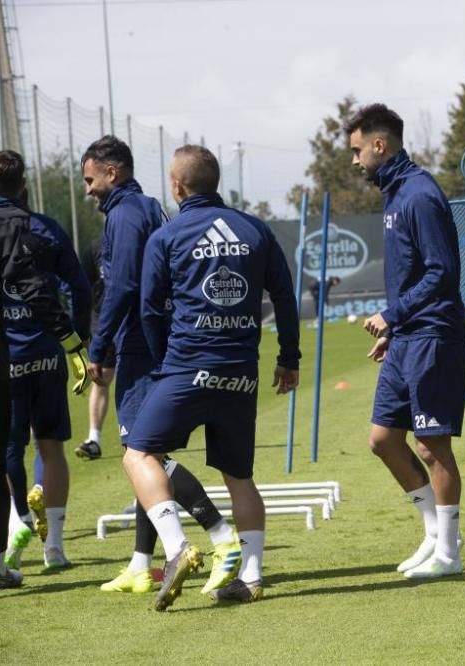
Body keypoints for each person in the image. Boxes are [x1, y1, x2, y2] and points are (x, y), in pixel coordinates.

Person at [123, 144, 300, 609]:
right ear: (215, 182)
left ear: (177, 186)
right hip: (241, 372)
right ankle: (253, 575)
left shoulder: (167, 236)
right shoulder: (255, 229)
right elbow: (284, 295)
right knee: (239, 476)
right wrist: (289, 357)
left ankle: (178, 545)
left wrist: (165, 362)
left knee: (139, 453)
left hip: (185, 368)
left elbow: (148, 309)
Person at [79, 136, 241, 596]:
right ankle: (139, 562)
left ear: (113, 172)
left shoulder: (128, 214)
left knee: (144, 453)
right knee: (142, 454)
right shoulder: (140, 209)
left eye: (91, 180)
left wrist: (100, 344)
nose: (88, 190)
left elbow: (125, 286)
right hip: (149, 344)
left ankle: (218, 536)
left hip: (141, 346)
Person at [347, 103, 465, 580]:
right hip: (407, 336)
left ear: (380, 144)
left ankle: (450, 554)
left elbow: (443, 272)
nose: (355, 162)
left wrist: (393, 315)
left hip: (433, 335)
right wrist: (395, 330)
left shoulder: (418, 194)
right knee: (382, 439)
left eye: (358, 151)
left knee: (432, 447)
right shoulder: (393, 193)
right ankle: (434, 534)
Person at [0, 149, 87, 589]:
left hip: (8, 358)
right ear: (24, 185)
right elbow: (79, 285)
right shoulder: (47, 228)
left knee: (9, 449)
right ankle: (54, 546)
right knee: (51, 446)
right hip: (50, 352)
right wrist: (80, 338)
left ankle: (16, 523)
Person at [75, 237, 112, 460]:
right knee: (100, 378)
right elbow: (83, 288)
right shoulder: (94, 248)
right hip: (103, 324)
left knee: (141, 380)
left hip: (134, 325)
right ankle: (94, 440)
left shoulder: (139, 241)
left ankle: (153, 442)